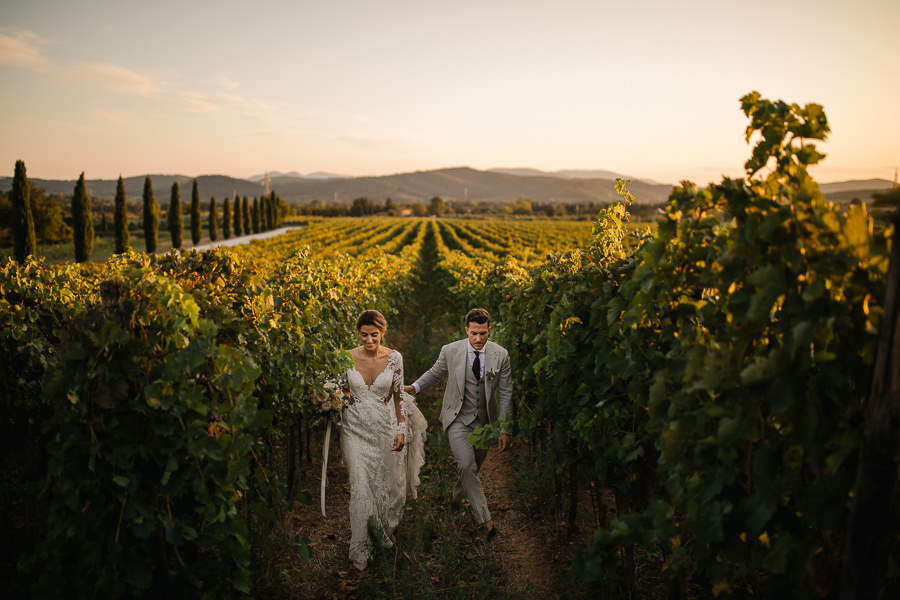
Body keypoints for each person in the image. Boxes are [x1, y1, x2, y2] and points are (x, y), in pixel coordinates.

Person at [403, 308, 512, 537]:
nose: (478, 338)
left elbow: (505, 392)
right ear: (466, 330)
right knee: (466, 465)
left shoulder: (501, 355)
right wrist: (415, 387)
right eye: (474, 333)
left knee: (473, 467)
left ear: (489, 330)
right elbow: (435, 373)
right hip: (457, 418)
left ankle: (455, 498)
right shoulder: (450, 351)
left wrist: (504, 428)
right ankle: (485, 521)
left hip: (485, 423)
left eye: (483, 333)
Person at [340, 309, 426, 571]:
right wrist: (336, 397)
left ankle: (379, 531)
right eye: (364, 335)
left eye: (374, 335)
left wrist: (401, 430)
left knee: (383, 486)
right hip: (353, 428)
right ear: (358, 333)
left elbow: (399, 396)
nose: (369, 341)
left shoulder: (394, 358)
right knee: (359, 482)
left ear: (382, 333)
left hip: (383, 428)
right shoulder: (345, 357)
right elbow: (341, 389)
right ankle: (359, 548)